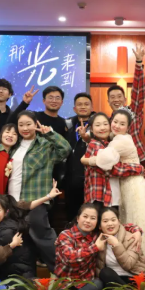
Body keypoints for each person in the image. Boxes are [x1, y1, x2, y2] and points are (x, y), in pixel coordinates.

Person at [81, 109, 145, 267]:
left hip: (134, 187)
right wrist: (87, 138)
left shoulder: (120, 140)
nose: (116, 126)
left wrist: (85, 160)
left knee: (135, 222)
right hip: (125, 186)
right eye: (114, 122)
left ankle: (142, 265)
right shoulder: (111, 139)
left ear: (128, 127)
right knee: (125, 223)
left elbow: (107, 164)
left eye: (122, 124)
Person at [7, 111, 71, 271]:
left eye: (28, 124)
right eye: (21, 125)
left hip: (37, 198)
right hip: (13, 200)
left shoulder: (45, 144)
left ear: (36, 124)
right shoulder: (14, 146)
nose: (24, 128)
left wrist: (50, 134)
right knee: (23, 239)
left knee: (43, 235)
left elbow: (66, 149)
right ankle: (28, 276)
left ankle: (61, 271)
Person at [54, 203, 142, 290]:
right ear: (78, 218)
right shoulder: (66, 235)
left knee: (98, 285)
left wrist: (137, 231)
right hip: (66, 286)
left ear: (97, 223)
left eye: (93, 218)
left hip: (87, 286)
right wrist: (95, 248)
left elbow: (117, 225)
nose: (88, 221)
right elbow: (70, 258)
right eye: (85, 217)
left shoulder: (95, 235)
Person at [83, 112, 145, 208]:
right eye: (98, 125)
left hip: (112, 192)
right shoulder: (96, 145)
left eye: (105, 124)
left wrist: (85, 160)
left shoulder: (112, 142)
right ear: (91, 128)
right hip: (100, 194)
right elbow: (109, 169)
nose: (102, 128)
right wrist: (137, 168)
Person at [106, 44, 145, 166]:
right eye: (112, 97)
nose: (116, 100)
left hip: (137, 158)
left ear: (125, 99)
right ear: (108, 101)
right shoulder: (108, 121)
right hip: (117, 162)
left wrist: (139, 63)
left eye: (119, 97)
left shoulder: (132, 110)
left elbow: (138, 90)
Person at [64, 93, 96, 221]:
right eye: (79, 104)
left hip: (93, 177)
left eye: (86, 104)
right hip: (72, 178)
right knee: (72, 214)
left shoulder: (100, 124)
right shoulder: (68, 125)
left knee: (92, 213)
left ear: (92, 107)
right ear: (74, 108)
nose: (83, 107)